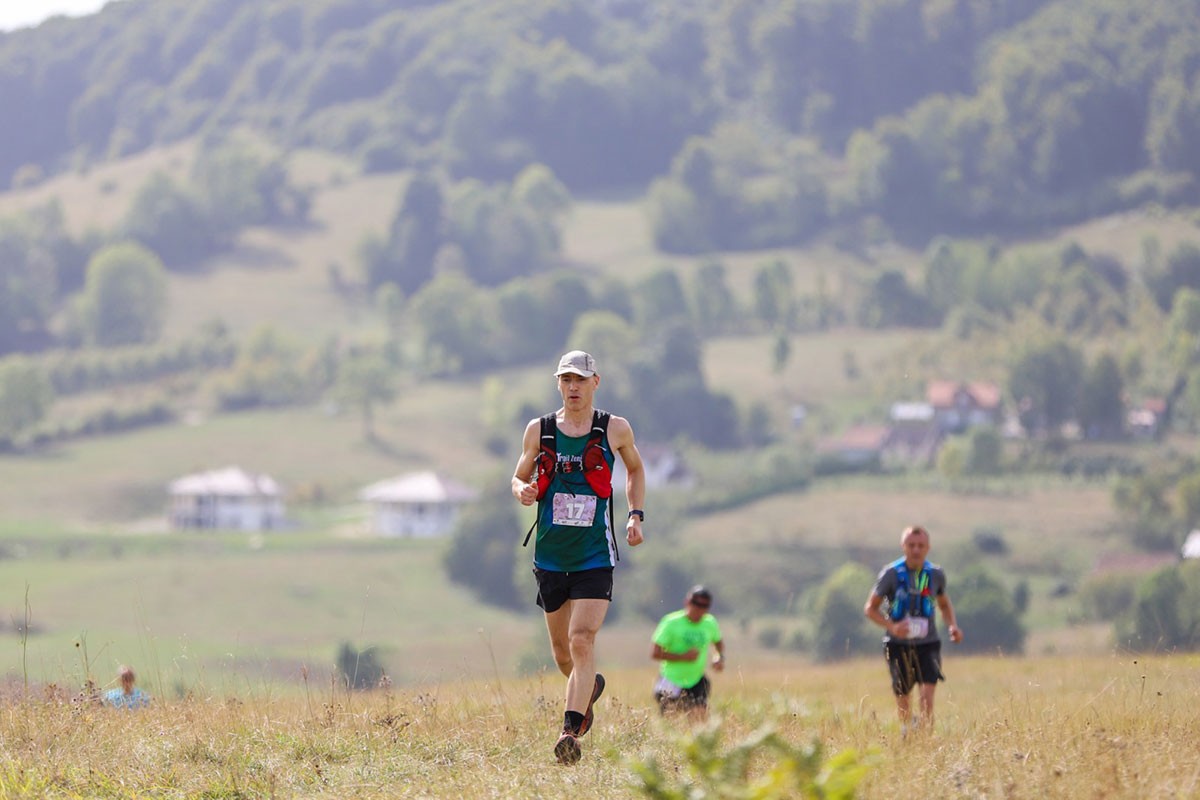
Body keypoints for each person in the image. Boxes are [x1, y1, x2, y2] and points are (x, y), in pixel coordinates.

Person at [512, 349, 645, 765]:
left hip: (594, 556)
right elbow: (518, 477)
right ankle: (588, 690)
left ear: (595, 383)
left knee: (582, 639)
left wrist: (635, 516)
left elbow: (636, 470)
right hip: (550, 557)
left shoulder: (614, 428)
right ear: (558, 384)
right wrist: (524, 491)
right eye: (566, 380)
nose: (573, 387)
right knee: (563, 655)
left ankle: (570, 731)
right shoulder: (540, 429)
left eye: (580, 380)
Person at [863, 525, 963, 732]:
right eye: (911, 545)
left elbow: (944, 604)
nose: (916, 550)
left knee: (927, 696)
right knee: (903, 694)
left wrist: (953, 626)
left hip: (929, 644)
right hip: (897, 644)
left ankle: (925, 734)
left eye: (920, 546)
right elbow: (870, 609)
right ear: (903, 546)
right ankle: (907, 731)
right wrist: (892, 626)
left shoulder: (936, 574)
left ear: (928, 547)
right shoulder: (890, 574)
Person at [651, 585, 725, 719]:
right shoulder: (671, 622)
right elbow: (655, 653)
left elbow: (718, 643)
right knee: (670, 722)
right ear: (687, 602)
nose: (698, 608)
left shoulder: (710, 623)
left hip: (696, 680)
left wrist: (719, 658)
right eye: (696, 603)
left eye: (704, 605)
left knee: (699, 720)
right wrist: (682, 657)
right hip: (671, 681)